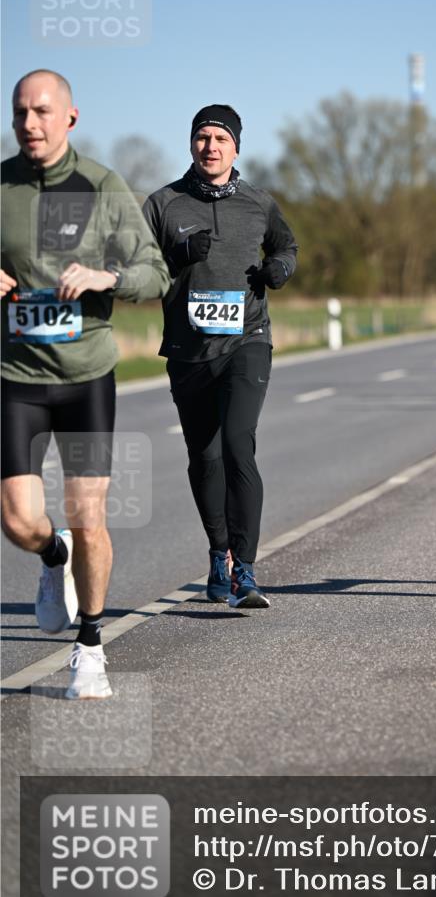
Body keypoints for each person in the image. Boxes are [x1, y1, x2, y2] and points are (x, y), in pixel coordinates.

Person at [1, 70, 171, 697]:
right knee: (19, 521)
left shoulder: (100, 185)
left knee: (88, 513)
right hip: (15, 375)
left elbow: (155, 275)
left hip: (84, 377)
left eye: (42, 111)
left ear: (70, 118)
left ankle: (90, 646)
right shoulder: (2, 187)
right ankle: (53, 559)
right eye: (20, 112)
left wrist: (106, 279)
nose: (29, 124)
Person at [143, 105, 297, 608]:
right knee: (203, 457)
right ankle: (218, 553)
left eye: (220, 138)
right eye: (202, 137)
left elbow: (287, 247)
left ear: (236, 147)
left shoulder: (258, 203)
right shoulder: (164, 203)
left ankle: (247, 572)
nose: (210, 146)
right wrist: (177, 258)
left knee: (237, 444)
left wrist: (277, 268)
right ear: (191, 144)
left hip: (247, 341)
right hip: (189, 351)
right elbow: (137, 272)